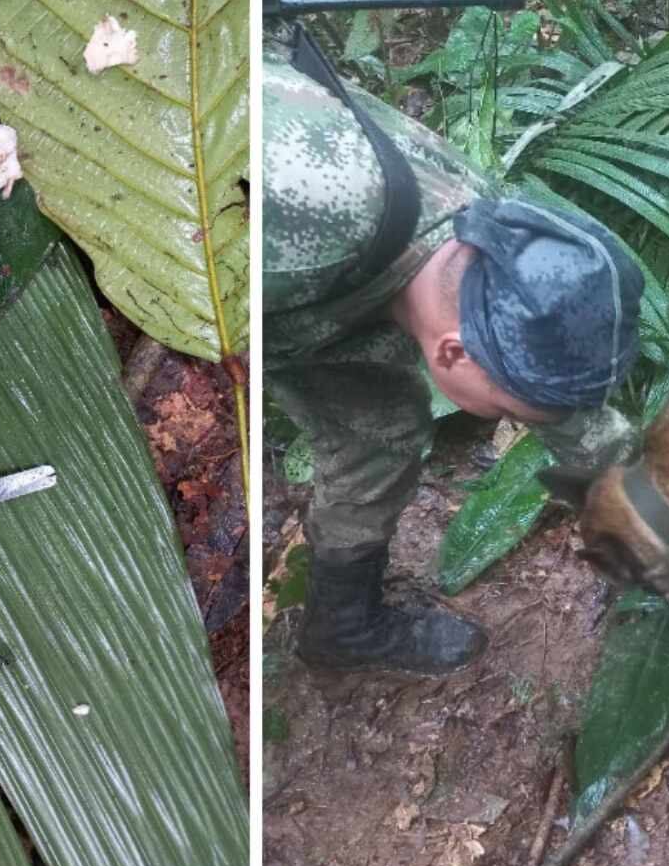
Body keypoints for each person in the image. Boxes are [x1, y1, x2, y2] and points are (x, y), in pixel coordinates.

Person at [265, 46, 644, 675]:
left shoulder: (496, 246)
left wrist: (648, 509)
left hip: (332, 302)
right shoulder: (296, 233)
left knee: (378, 434)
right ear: (452, 352)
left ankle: (340, 626)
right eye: (509, 413)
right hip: (243, 272)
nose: (522, 420)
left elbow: (553, 399)